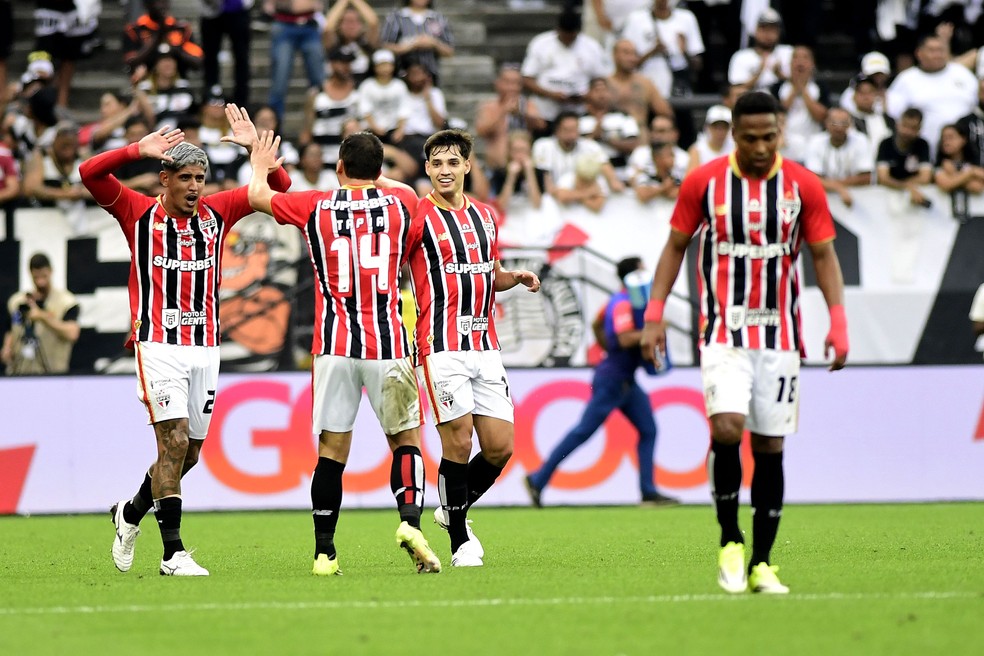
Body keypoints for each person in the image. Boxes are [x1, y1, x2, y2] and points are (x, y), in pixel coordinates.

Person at [639, 91, 849, 595]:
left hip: (781, 336)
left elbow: (823, 257)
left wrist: (838, 319)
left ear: (781, 132)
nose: (760, 146)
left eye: (769, 137)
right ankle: (730, 540)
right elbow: (674, 248)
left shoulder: (803, 185)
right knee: (729, 428)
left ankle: (763, 562)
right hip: (723, 333)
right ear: (733, 135)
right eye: (750, 138)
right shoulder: (704, 182)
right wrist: (654, 314)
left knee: (771, 445)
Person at [78, 108, 292, 577]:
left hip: (205, 348)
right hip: (158, 344)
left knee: (187, 453)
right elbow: (88, 172)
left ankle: (131, 512)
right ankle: (173, 554)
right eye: (185, 178)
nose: (195, 187)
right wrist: (136, 147)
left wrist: (260, 153)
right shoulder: (135, 212)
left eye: (200, 177)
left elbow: (281, 190)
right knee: (172, 440)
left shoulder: (219, 211)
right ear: (164, 179)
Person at [245, 125, 441, 576]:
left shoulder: (315, 205)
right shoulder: (402, 203)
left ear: (338, 168)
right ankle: (410, 523)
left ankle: (324, 553)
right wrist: (376, 177)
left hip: (333, 345)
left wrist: (261, 165)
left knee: (332, 449)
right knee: (406, 441)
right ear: (378, 171)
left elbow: (258, 197)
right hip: (389, 341)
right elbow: (404, 188)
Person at [409, 129, 541, 567]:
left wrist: (514, 278)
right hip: (440, 345)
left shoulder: (485, 216)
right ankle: (460, 540)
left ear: (467, 166)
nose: (445, 171)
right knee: (458, 442)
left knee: (501, 447)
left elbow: (490, 272)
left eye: (453, 162)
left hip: (484, 345)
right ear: (427, 168)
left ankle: (451, 508)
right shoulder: (417, 216)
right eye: (436, 163)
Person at [525, 257, 678, 508]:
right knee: (583, 432)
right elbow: (625, 337)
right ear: (635, 274)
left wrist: (610, 346)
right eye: (643, 268)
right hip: (613, 380)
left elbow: (597, 324)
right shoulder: (624, 303)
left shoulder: (618, 302)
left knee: (648, 429)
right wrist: (655, 329)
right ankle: (538, 479)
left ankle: (649, 492)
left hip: (623, 379)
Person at [2, 253, 80, 375]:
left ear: (51, 271)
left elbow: (72, 333)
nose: (41, 282)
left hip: (53, 373)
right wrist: (7, 347)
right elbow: (10, 329)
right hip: (20, 373)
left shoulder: (66, 302)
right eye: (36, 277)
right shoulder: (17, 302)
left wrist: (43, 317)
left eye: (44, 276)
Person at [805, 107, 874, 208]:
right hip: (822, 199)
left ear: (850, 124)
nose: (839, 127)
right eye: (834, 123)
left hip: (856, 199)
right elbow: (813, 178)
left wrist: (831, 185)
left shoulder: (861, 140)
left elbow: (866, 177)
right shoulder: (815, 141)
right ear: (826, 123)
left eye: (843, 123)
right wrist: (839, 188)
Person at [200, 0, 252, 107]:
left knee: (242, 57)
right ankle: (211, 95)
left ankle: (242, 99)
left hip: (238, 9)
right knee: (210, 57)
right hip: (210, 11)